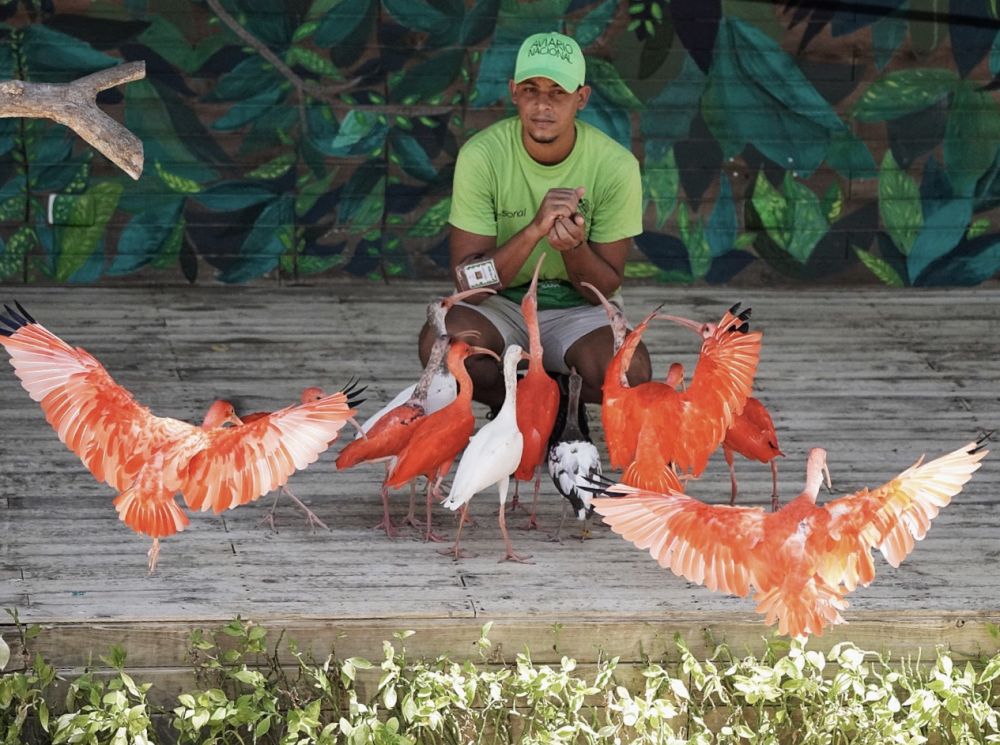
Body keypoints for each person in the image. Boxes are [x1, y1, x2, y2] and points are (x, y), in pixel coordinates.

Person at [417, 31, 651, 412]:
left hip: (578, 311)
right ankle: (522, 410)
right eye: (531, 89)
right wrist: (534, 231)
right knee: (443, 346)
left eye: (558, 92)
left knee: (630, 371)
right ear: (513, 92)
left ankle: (555, 401)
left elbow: (605, 286)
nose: (543, 104)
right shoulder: (482, 156)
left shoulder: (615, 165)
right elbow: (469, 286)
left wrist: (573, 248)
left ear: (581, 98)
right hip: (500, 306)